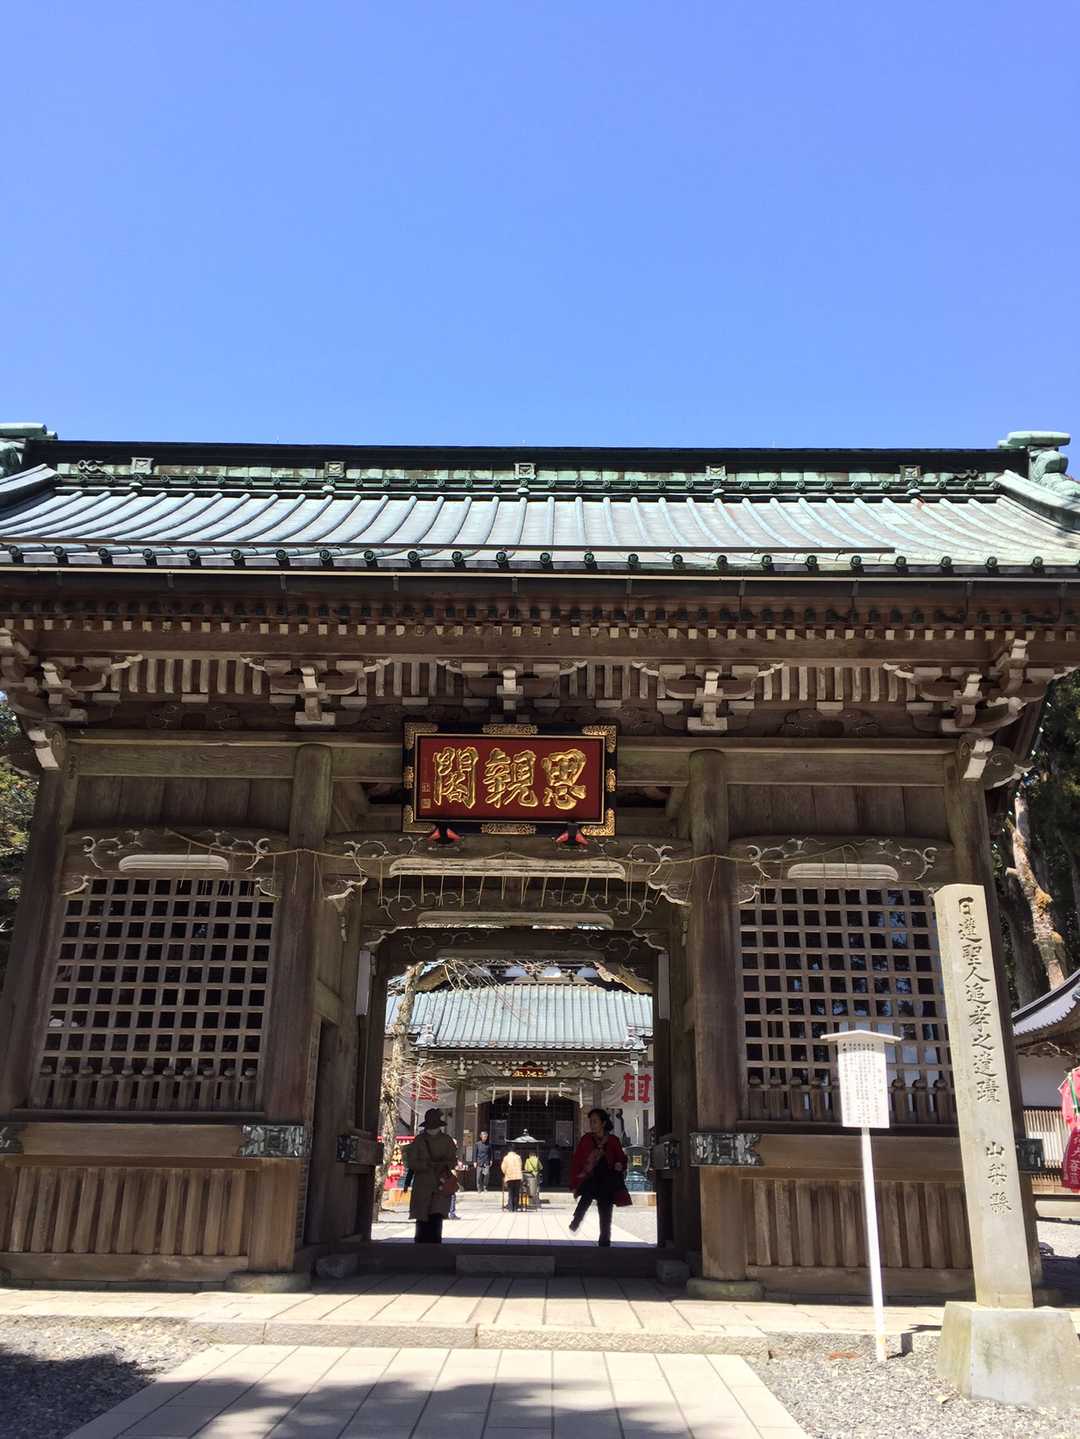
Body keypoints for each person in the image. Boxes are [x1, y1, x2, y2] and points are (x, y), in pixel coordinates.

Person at [569, 1107, 628, 1247]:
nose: (592, 1124)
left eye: (595, 1121)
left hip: (607, 1180)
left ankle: (604, 1240)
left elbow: (621, 1158)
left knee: (606, 1211)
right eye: (591, 1121)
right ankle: (576, 1220)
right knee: (585, 1199)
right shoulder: (586, 1139)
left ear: (603, 1123)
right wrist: (574, 1182)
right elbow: (577, 1160)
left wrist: (620, 1164)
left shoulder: (613, 1140)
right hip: (591, 1178)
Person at [402, 1108, 458, 1244]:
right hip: (426, 1183)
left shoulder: (446, 1141)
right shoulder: (420, 1140)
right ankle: (426, 1242)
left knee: (435, 1216)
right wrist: (427, 1165)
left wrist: (440, 1164)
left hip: (437, 1183)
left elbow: (453, 1162)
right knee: (423, 1217)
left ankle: (429, 1242)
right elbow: (412, 1162)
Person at [501, 1142, 524, 1212]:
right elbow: (520, 1165)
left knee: (510, 1193)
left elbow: (503, 1167)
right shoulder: (518, 1157)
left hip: (509, 1176)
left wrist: (506, 1173)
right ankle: (515, 1207)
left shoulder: (506, 1158)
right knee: (516, 1193)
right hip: (518, 1176)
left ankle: (511, 1208)